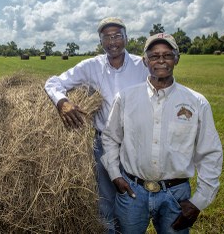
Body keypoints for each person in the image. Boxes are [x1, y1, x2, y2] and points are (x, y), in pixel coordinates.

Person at [101, 33, 223, 233]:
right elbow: (110, 137)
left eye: (167, 55)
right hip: (132, 192)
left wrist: (199, 201)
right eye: (154, 56)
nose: (161, 61)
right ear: (145, 61)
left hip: (176, 194)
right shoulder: (125, 98)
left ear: (177, 59)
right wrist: (115, 174)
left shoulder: (197, 102)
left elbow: (210, 152)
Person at [44, 17, 149, 233]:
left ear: (126, 38)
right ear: (100, 42)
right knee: (105, 203)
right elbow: (53, 82)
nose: (113, 41)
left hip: (137, 144)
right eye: (106, 37)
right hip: (103, 142)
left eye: (117, 35)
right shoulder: (91, 66)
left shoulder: (142, 66)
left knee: (135, 200)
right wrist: (63, 102)